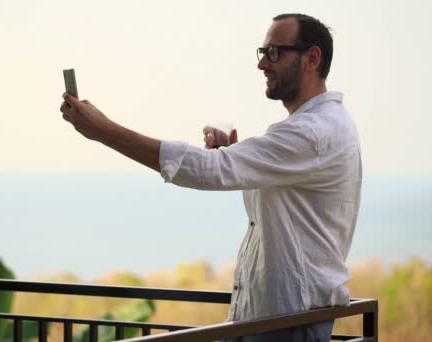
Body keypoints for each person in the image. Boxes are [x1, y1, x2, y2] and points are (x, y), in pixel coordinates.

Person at [60, 13, 361, 342]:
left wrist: (105, 131)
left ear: (312, 58)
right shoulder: (316, 129)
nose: (263, 64)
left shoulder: (315, 132)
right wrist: (230, 153)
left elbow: (208, 171)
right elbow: (280, 198)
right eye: (262, 53)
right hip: (270, 319)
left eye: (274, 52)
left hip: (287, 325)